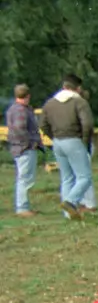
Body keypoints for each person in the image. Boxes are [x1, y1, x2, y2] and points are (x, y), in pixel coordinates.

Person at [40, 73, 94, 219]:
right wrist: (85, 141)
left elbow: (43, 124)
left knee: (67, 178)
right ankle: (71, 201)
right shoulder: (79, 102)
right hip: (74, 140)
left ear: (64, 86)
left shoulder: (49, 103)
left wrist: (53, 137)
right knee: (84, 177)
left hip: (57, 142)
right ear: (78, 88)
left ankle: (67, 214)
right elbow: (87, 124)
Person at [7, 84, 42, 217]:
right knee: (25, 178)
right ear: (28, 96)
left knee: (23, 177)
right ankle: (22, 207)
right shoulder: (21, 110)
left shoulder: (13, 109)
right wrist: (31, 142)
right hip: (25, 148)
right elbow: (20, 128)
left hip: (18, 147)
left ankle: (23, 206)